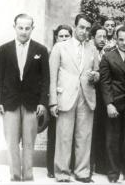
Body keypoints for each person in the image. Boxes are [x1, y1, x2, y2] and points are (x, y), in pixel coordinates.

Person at [0, 14, 50, 181]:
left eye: (27, 28)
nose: (24, 32)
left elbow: (46, 79)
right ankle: (14, 175)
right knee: (11, 141)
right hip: (10, 102)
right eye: (20, 27)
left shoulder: (40, 50)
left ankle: (28, 176)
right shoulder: (4, 50)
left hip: (32, 103)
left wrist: (42, 102)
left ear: (32, 29)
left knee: (29, 142)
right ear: (15, 27)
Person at [49, 14, 100, 183]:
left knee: (84, 136)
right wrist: (53, 101)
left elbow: (97, 72)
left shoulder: (92, 49)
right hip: (65, 97)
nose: (84, 31)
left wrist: (95, 75)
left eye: (87, 29)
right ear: (75, 26)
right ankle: (62, 173)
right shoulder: (60, 47)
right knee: (64, 137)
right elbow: (52, 76)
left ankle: (82, 172)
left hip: (86, 96)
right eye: (81, 27)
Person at [100, 26, 125, 183]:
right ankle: (113, 173)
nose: (124, 43)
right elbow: (105, 83)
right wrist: (109, 104)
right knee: (113, 139)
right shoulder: (108, 57)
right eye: (121, 39)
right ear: (116, 39)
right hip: (115, 104)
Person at [47, 24, 73, 178]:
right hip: (54, 98)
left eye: (66, 36)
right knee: (54, 134)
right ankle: (51, 167)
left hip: (68, 99)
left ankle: (66, 166)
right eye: (60, 36)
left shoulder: (72, 53)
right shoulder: (51, 52)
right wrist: (52, 100)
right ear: (56, 37)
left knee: (66, 136)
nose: (63, 39)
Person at [90, 25, 108, 175]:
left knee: (102, 132)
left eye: (104, 37)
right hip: (90, 97)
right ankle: (88, 166)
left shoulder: (107, 53)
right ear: (93, 38)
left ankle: (101, 165)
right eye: (99, 37)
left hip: (103, 100)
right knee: (89, 133)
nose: (102, 40)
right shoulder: (89, 52)